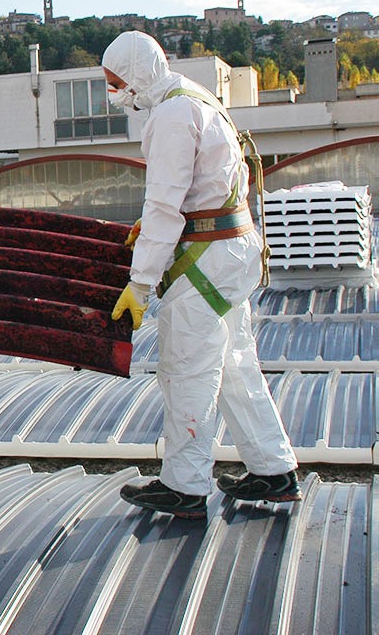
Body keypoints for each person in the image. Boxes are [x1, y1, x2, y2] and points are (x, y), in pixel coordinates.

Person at [104, 31, 299, 520]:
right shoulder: (196, 97)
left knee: (187, 369)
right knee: (234, 365)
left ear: (139, 75)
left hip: (207, 261)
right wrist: (155, 227)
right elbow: (205, 186)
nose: (114, 92)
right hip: (232, 252)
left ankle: (185, 485)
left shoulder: (170, 116)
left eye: (117, 82)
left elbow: (166, 206)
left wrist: (141, 283)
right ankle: (273, 470)